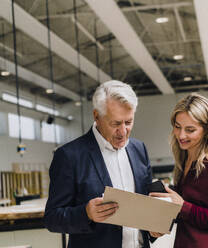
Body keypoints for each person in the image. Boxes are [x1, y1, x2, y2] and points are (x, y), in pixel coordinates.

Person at [44, 80, 153, 248]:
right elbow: (52, 218)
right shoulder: (69, 156)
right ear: (96, 116)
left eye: (128, 122)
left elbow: (147, 204)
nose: (123, 132)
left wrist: (155, 227)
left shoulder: (139, 149)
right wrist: (85, 213)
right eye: (115, 123)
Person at [150, 93, 208, 248]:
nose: (181, 135)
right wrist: (161, 224)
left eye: (190, 130)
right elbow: (187, 214)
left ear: (206, 130)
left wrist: (182, 206)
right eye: (177, 127)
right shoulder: (184, 161)